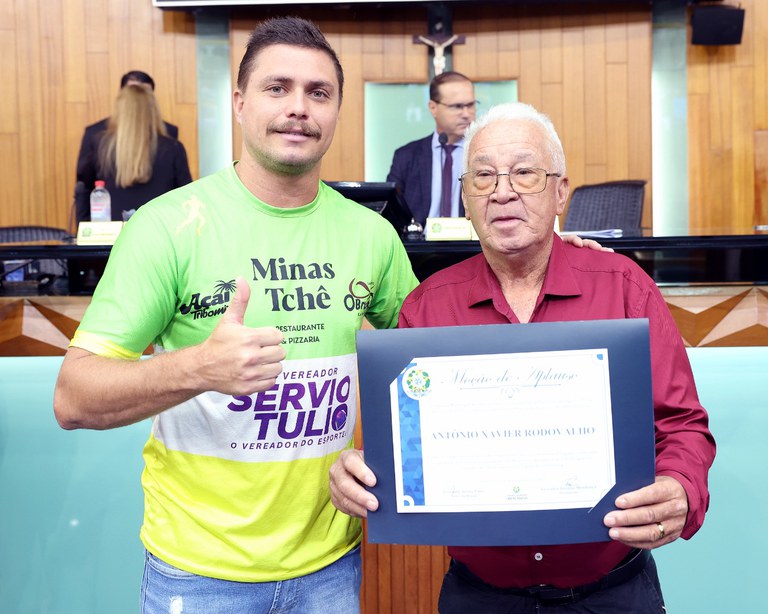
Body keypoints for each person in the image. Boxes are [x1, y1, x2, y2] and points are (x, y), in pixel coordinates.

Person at [54, 17, 418, 614]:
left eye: (318, 93)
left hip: (330, 567)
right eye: (277, 88)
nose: (298, 107)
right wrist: (198, 368)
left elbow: (429, 359)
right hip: (199, 573)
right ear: (241, 103)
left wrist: (547, 258)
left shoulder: (372, 235)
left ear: (336, 112)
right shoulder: (167, 226)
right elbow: (73, 398)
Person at [329, 102, 716, 613]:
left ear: (561, 192)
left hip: (613, 592)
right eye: (483, 176)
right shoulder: (428, 308)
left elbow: (681, 425)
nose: (502, 191)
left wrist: (681, 489)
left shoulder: (624, 288)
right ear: (465, 198)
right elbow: (404, 452)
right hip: (480, 595)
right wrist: (361, 475)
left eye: (525, 173)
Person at [75, 82, 192, 222]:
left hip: (112, 232)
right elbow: (186, 197)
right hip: (159, 229)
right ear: (153, 111)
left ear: (120, 111)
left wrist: (85, 229)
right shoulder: (173, 148)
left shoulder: (101, 146)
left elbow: (84, 189)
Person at [386, 71, 476, 226]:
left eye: (471, 105)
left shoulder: (481, 154)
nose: (466, 114)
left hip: (470, 239)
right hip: (420, 240)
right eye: (457, 106)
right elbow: (390, 211)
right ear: (433, 107)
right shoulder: (406, 156)